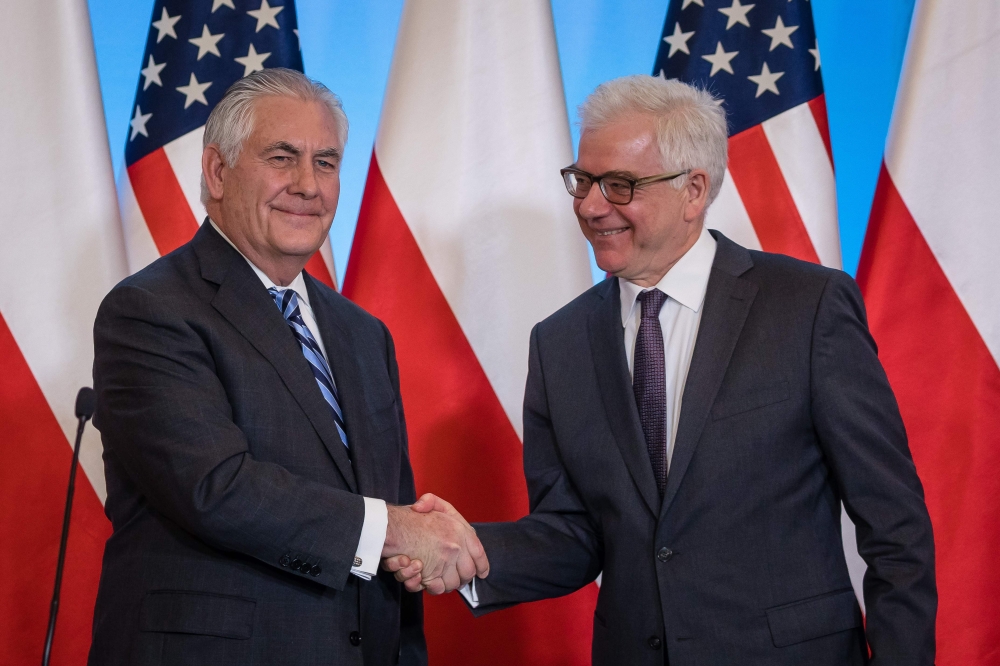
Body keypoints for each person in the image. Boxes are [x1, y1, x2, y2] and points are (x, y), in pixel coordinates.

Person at [387, 75, 936, 665]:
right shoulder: (560, 343)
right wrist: (467, 552)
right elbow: (574, 533)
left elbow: (895, 527)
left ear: (694, 190)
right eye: (583, 180)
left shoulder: (808, 308)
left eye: (620, 185)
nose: (592, 206)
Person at [88, 68, 486, 666]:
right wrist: (397, 532)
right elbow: (216, 488)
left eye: (326, 162)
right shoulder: (150, 311)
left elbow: (386, 513)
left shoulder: (362, 334)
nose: (308, 185)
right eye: (282, 157)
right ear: (217, 172)